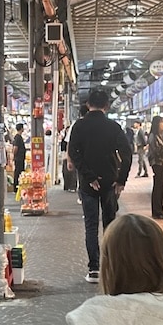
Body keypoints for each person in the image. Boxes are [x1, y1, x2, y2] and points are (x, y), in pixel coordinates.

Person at [68, 88, 132, 283]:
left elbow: (74, 153)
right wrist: (121, 180)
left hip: (88, 185)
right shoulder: (113, 127)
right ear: (107, 106)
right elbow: (127, 154)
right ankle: (111, 266)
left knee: (91, 225)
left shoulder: (79, 126)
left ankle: (94, 269)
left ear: (88, 105)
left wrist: (88, 176)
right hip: (110, 182)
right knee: (110, 225)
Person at [146, 115, 163, 219]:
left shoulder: (162, 135)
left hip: (162, 163)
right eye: (162, 122)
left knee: (160, 186)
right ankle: (157, 211)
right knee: (158, 186)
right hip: (157, 163)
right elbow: (156, 151)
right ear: (157, 124)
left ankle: (159, 210)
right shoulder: (153, 136)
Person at [11, 122, 27, 194]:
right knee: (18, 172)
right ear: (21, 129)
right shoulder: (17, 137)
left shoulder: (19, 137)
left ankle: (19, 188)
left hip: (20, 158)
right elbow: (15, 148)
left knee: (20, 172)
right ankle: (16, 188)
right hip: (18, 158)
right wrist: (14, 156)